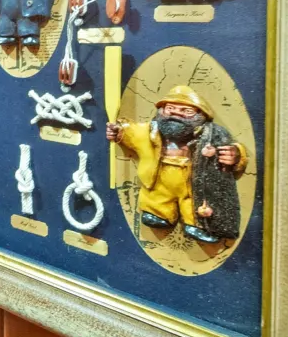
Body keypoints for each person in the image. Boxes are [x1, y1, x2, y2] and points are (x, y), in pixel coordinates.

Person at [106, 85, 248, 243]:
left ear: (201, 115)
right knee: (157, 198)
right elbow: (133, 131)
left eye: (186, 111)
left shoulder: (210, 136)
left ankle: (195, 224)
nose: (176, 114)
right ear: (161, 110)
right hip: (160, 179)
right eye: (170, 108)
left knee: (193, 204)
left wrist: (235, 155)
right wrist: (118, 131)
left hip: (191, 181)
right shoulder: (151, 132)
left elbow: (229, 148)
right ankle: (157, 213)